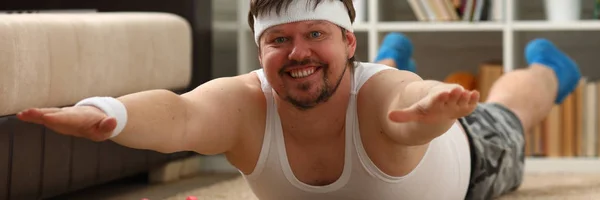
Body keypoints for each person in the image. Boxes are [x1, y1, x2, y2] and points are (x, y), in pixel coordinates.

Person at [17, 0, 581, 199]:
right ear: (260, 50)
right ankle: (395, 51)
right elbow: (180, 112)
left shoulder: (385, 93)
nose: (297, 53)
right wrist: (108, 115)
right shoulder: (243, 103)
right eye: (279, 41)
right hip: (385, 90)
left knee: (507, 115)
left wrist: (437, 107)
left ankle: (549, 69)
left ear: (346, 42)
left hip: (466, 155)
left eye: (316, 36)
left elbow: (408, 108)